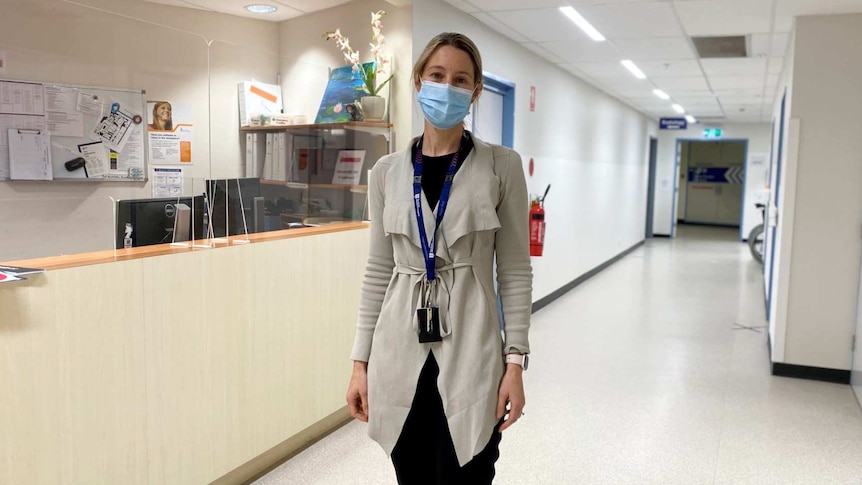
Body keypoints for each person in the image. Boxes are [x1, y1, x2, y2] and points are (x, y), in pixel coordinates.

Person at [346, 32, 533, 484]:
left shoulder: (500, 166)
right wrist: (359, 363)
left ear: (475, 91)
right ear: (417, 81)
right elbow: (378, 270)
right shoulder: (387, 172)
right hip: (398, 352)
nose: (447, 86)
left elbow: (514, 271)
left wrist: (515, 362)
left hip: (473, 348)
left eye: (460, 79)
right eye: (437, 75)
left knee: (467, 470)